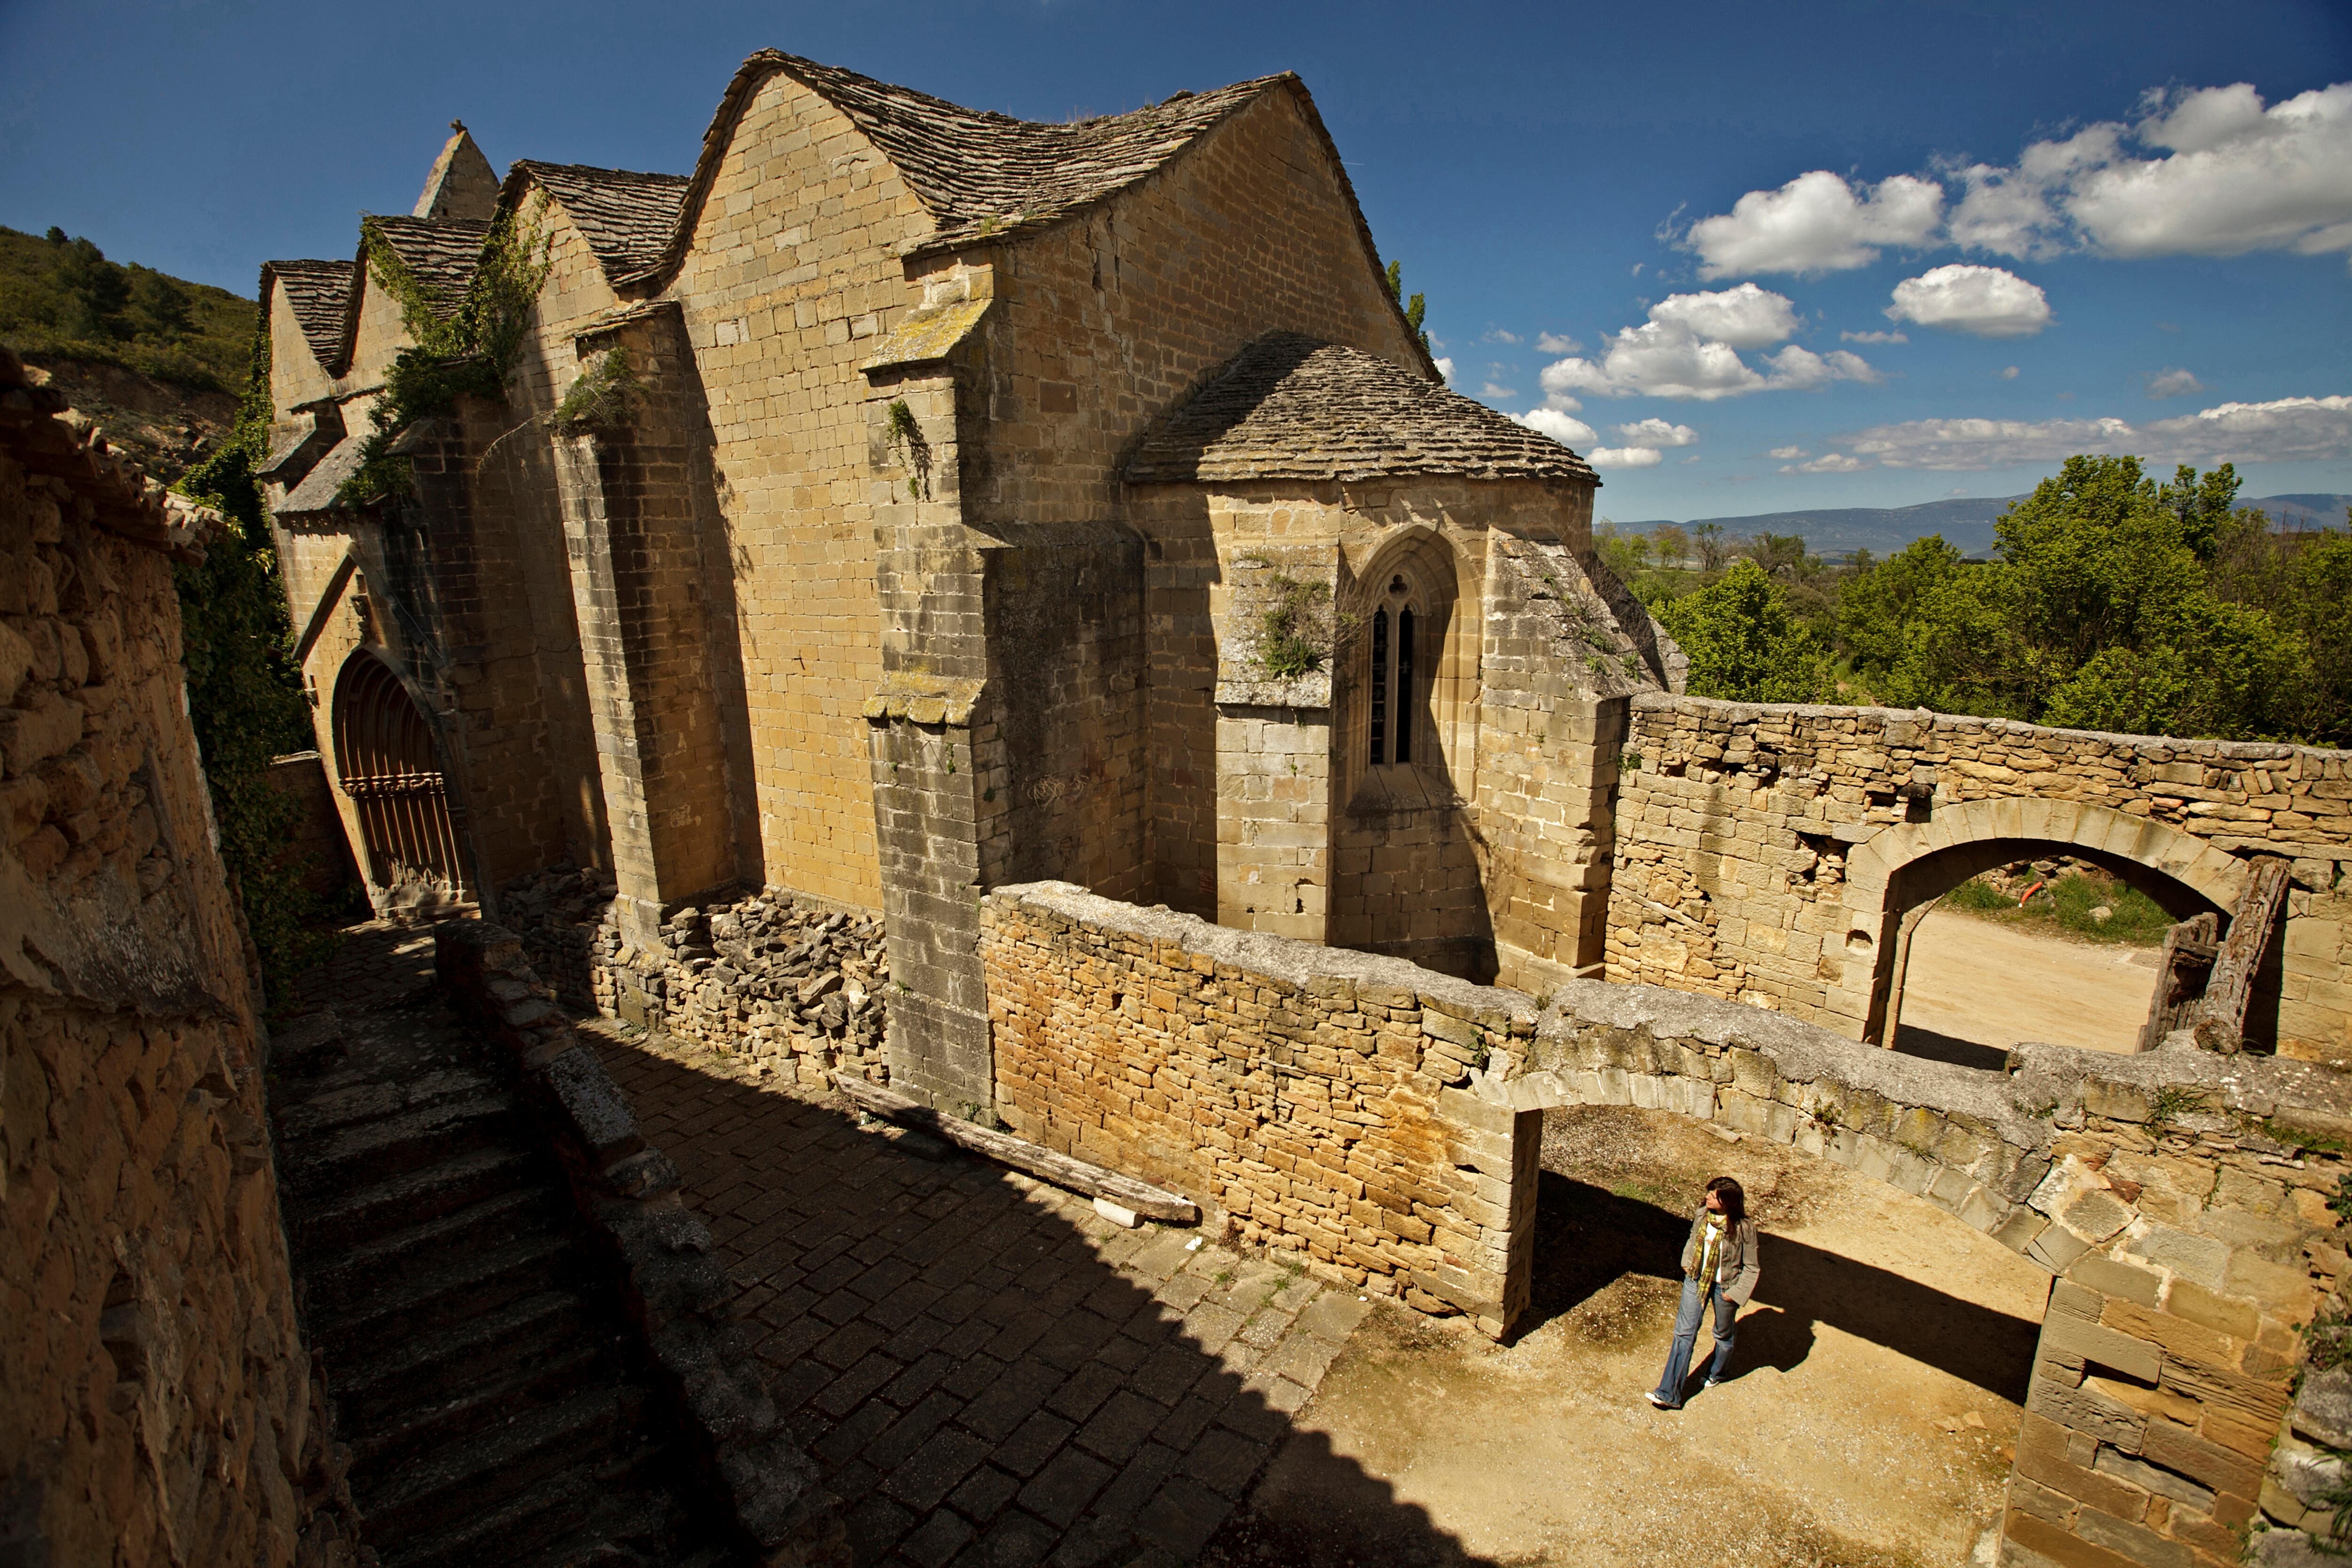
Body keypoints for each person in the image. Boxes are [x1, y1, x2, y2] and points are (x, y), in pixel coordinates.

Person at [1645, 1175, 1759, 1409]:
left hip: (1726, 1288)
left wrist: (1735, 1294)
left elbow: (1752, 1267)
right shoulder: (1702, 1215)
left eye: (1713, 1195)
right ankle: (1669, 1393)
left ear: (1727, 1202)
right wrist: (1687, 1262)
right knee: (1683, 1334)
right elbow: (1692, 1238)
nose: (1707, 1196)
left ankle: (1718, 1372)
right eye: (1709, 1192)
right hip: (1696, 1280)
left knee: (1723, 1335)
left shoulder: (1744, 1229)